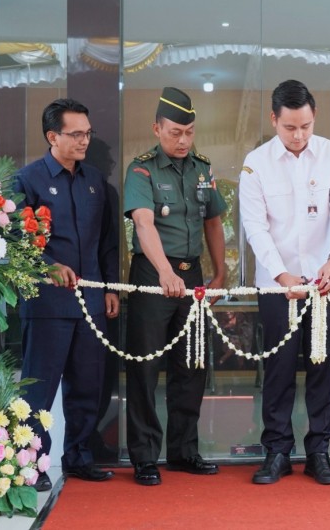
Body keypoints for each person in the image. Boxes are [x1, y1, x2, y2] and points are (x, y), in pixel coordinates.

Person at [239, 80, 330, 485]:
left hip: (326, 280)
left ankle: (320, 452)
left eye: (305, 125)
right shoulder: (255, 164)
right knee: (279, 369)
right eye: (290, 127)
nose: (299, 135)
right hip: (277, 284)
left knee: (325, 368)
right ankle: (276, 451)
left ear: (313, 116)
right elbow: (255, 229)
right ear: (274, 120)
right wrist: (280, 274)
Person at [123, 87, 227, 486]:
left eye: (189, 132)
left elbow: (213, 222)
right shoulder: (142, 169)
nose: (183, 141)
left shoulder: (202, 168)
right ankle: (146, 457)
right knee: (145, 368)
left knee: (192, 367)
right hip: (152, 276)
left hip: (193, 275)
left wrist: (220, 275)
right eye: (174, 133)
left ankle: (184, 452)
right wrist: (166, 272)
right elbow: (144, 223)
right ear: (157, 128)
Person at [14, 98, 119, 491]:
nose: (84, 140)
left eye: (87, 133)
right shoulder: (27, 180)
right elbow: (16, 241)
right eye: (75, 134)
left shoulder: (95, 182)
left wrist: (108, 287)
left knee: (87, 386)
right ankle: (32, 464)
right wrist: (47, 267)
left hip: (90, 301)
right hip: (46, 304)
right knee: (38, 390)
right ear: (52, 136)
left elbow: (106, 242)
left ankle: (78, 457)